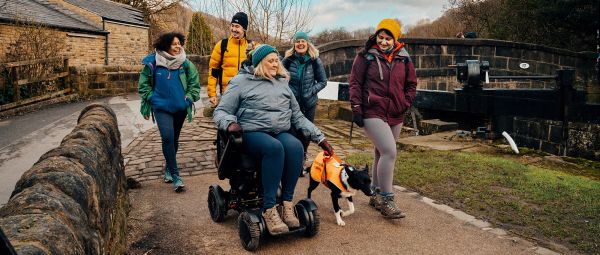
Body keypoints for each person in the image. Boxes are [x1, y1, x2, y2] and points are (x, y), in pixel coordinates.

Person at [213, 44, 334, 234]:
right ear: (260, 63)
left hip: (279, 130)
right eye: (271, 60)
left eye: (277, 60)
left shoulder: (282, 83)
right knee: (274, 148)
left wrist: (320, 138)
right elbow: (221, 111)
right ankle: (269, 209)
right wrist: (229, 123)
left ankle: (286, 205)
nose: (276, 64)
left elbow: (298, 116)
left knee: (295, 147)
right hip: (251, 132)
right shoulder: (240, 81)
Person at [349, 18, 417, 218]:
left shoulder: (404, 58)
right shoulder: (365, 57)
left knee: (381, 152)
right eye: (381, 37)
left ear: (395, 39)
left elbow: (411, 84)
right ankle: (388, 199)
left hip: (396, 112)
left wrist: (405, 102)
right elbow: (355, 83)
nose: (384, 42)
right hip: (373, 111)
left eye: (388, 38)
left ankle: (376, 195)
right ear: (376, 36)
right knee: (389, 151)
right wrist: (356, 108)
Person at [138, 32, 201, 192]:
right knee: (167, 138)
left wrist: (188, 99)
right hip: (161, 108)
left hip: (180, 108)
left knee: (174, 140)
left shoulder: (185, 64)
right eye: (174, 44)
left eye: (179, 43)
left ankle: (168, 168)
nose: (178, 46)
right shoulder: (153, 62)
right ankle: (176, 176)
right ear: (166, 45)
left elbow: (195, 85)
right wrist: (153, 99)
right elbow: (143, 85)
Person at [282, 32, 328, 166]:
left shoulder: (315, 60)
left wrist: (310, 92)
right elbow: (280, 78)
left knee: (306, 133)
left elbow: (323, 81)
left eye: (303, 41)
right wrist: (288, 92)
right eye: (298, 41)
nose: (300, 44)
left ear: (307, 43)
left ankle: (301, 159)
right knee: (291, 130)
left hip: (309, 104)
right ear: (294, 44)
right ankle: (290, 158)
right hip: (291, 103)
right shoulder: (288, 60)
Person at [207, 12, 252, 107]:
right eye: (232, 25)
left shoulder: (252, 46)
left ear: (244, 29)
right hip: (227, 93)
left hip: (247, 94)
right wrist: (212, 94)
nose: (234, 29)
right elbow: (213, 71)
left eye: (237, 26)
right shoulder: (222, 45)